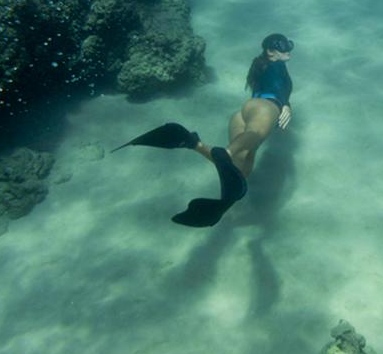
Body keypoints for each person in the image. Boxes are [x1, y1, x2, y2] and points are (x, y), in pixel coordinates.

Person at [113, 33, 294, 227]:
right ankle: (227, 151)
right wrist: (285, 104)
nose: (289, 54)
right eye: (284, 50)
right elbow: (281, 87)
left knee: (240, 170)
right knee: (255, 136)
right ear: (270, 52)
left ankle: (194, 143)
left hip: (244, 111)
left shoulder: (259, 65)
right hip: (267, 107)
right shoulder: (277, 66)